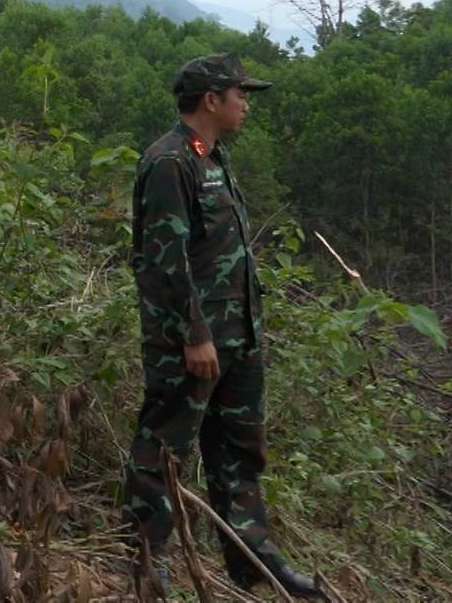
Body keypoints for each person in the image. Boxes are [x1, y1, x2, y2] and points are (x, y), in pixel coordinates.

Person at [122, 54, 322, 597]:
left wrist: (241, 330)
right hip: (192, 342)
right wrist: (195, 333)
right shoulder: (168, 163)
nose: (246, 103)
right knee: (165, 445)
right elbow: (164, 259)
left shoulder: (213, 158)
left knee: (238, 452)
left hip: (238, 338)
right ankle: (148, 557)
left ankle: (255, 563)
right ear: (211, 100)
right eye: (240, 94)